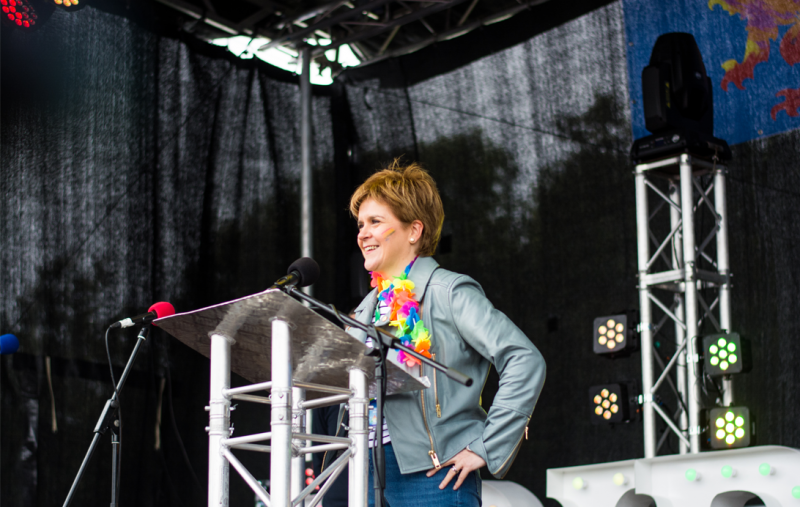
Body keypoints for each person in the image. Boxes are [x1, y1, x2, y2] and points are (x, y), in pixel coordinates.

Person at [346, 160, 546, 507]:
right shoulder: (364, 310)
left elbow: (523, 359)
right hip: (363, 471)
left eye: (375, 222)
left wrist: (486, 446)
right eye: (361, 223)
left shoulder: (447, 292)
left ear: (414, 231)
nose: (362, 233)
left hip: (433, 474)